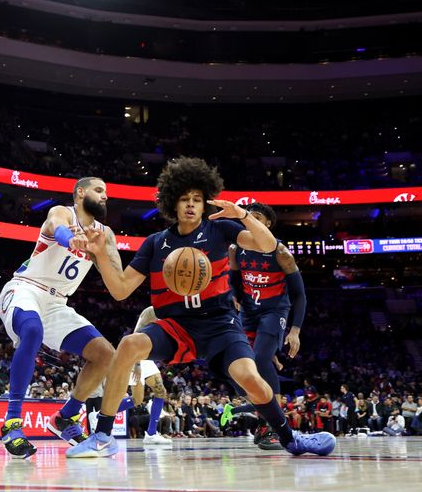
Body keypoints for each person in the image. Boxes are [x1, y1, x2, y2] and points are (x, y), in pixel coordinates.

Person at [67, 156, 336, 458]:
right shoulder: (156, 243)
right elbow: (120, 290)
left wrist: (243, 215)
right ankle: (103, 435)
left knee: (251, 379)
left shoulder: (220, 230)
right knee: (129, 344)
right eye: (184, 199)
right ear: (173, 202)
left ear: (205, 202)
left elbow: (268, 245)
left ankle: (290, 439)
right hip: (177, 326)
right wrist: (101, 255)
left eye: (197, 199)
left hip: (220, 324)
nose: (191, 205)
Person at [0, 177, 123, 458]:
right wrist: (72, 239)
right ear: (80, 193)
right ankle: (12, 423)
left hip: (57, 303)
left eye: (106, 192)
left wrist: (102, 254)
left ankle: (66, 417)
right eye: (99, 190)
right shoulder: (64, 212)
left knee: (105, 354)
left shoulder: (106, 234)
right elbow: (56, 225)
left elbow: (118, 283)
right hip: (26, 288)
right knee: (32, 331)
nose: (105, 196)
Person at [220, 202, 306, 449]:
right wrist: (233, 296)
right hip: (249, 310)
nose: (250, 221)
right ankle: (264, 421)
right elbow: (235, 280)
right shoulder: (236, 249)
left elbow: (299, 294)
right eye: (247, 217)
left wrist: (295, 331)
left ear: (267, 224)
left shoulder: (280, 253)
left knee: (259, 360)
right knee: (242, 366)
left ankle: (270, 425)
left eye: (257, 218)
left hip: (274, 310)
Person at [129, 306, 172, 445]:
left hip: (146, 356)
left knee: (160, 391)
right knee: (137, 400)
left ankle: (151, 434)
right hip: (136, 355)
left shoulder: (172, 310)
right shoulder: (152, 311)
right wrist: (136, 364)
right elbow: (135, 336)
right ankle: (99, 415)